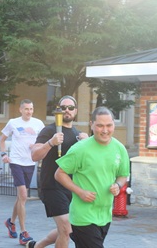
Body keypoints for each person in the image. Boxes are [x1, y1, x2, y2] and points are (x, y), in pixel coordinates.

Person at [54, 106, 130, 248]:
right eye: (100, 125)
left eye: (109, 125)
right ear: (92, 125)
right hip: (83, 216)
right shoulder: (80, 149)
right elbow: (59, 174)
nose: (105, 130)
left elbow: (122, 175)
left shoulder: (120, 148)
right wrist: (80, 192)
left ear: (114, 124)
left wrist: (118, 185)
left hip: (105, 215)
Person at [27, 95, 88, 248]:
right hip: (52, 186)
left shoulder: (79, 134)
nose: (67, 110)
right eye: (63, 108)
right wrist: (50, 143)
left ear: (76, 111)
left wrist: (87, 143)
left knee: (69, 228)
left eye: (71, 108)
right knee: (66, 229)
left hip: (71, 187)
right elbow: (35, 155)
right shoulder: (49, 131)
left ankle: (37, 246)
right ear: (58, 111)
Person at [0, 99, 45, 245]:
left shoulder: (38, 124)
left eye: (31, 109)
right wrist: (3, 154)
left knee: (21, 198)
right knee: (24, 196)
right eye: (26, 109)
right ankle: (23, 232)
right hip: (16, 162)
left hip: (30, 162)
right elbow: (2, 140)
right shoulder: (13, 122)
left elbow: (44, 141)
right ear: (20, 109)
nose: (29, 112)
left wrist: (37, 146)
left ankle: (10, 222)